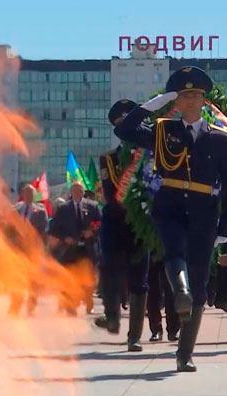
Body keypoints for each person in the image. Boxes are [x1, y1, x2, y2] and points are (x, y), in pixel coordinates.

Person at [114, 66, 227, 372]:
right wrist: (151, 106)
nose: (191, 100)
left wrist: (225, 226)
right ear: (177, 101)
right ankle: (179, 290)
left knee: (201, 284)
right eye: (184, 96)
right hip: (169, 205)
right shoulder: (163, 131)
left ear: (204, 100)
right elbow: (124, 131)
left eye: (196, 95)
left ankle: (185, 353)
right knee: (174, 250)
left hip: (204, 209)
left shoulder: (219, 139)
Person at [92, 100, 152, 353]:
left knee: (140, 278)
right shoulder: (109, 160)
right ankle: (113, 315)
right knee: (109, 268)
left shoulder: (151, 157)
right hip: (115, 221)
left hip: (140, 224)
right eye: (121, 125)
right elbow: (109, 192)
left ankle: (134, 336)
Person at [48, 181, 101, 315]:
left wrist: (92, 232)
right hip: (69, 249)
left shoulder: (93, 207)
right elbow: (54, 229)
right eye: (75, 191)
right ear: (71, 193)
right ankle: (70, 305)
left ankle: (89, 303)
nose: (77, 193)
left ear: (83, 192)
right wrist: (65, 237)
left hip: (87, 248)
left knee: (88, 278)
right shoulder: (63, 209)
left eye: (80, 190)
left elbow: (100, 224)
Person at [8, 184, 49, 316]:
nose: (28, 196)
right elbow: (8, 229)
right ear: (22, 194)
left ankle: (31, 305)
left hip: (33, 250)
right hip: (18, 250)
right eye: (26, 193)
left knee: (33, 280)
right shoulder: (15, 208)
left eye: (31, 194)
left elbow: (44, 230)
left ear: (34, 195)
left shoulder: (41, 210)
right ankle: (15, 304)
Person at [146, 258, 181, 342]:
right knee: (153, 289)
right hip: (152, 248)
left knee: (172, 289)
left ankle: (173, 329)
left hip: (171, 248)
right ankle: (156, 329)